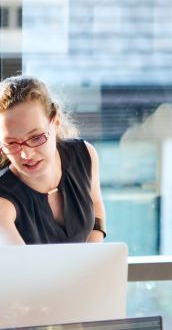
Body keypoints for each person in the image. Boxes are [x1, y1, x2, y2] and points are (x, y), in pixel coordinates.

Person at [0, 75, 107, 245]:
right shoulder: (2, 201)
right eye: (11, 143)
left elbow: (95, 204)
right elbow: (24, 268)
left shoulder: (84, 154)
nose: (26, 155)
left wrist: (93, 256)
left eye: (36, 137)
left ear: (56, 122)